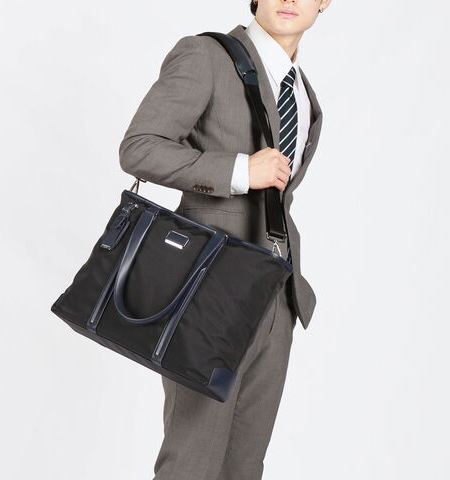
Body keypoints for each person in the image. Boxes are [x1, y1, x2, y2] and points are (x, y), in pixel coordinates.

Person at [118, 1, 330, 478]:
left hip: (277, 294)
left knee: (244, 465)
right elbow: (139, 147)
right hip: (208, 288)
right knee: (192, 461)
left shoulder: (305, 96)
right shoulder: (206, 56)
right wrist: (238, 170)